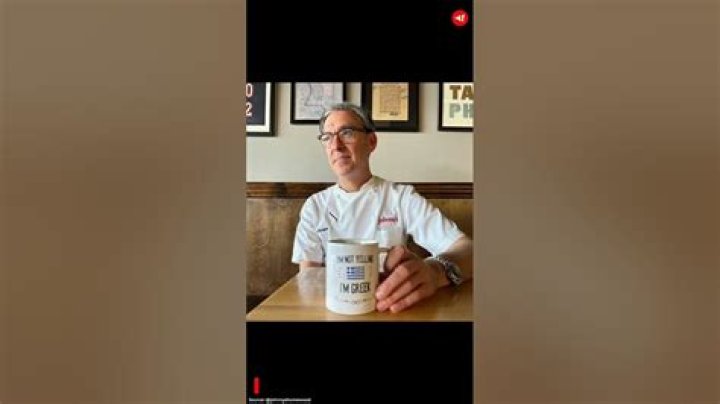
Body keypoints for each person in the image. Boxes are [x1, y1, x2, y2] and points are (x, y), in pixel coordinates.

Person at [291, 102, 473, 313]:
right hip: (333, 310)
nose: (336, 145)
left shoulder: (401, 197)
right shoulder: (315, 206)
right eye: (327, 137)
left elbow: (468, 250)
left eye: (346, 133)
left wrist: (435, 271)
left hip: (390, 308)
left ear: (371, 141)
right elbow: (308, 278)